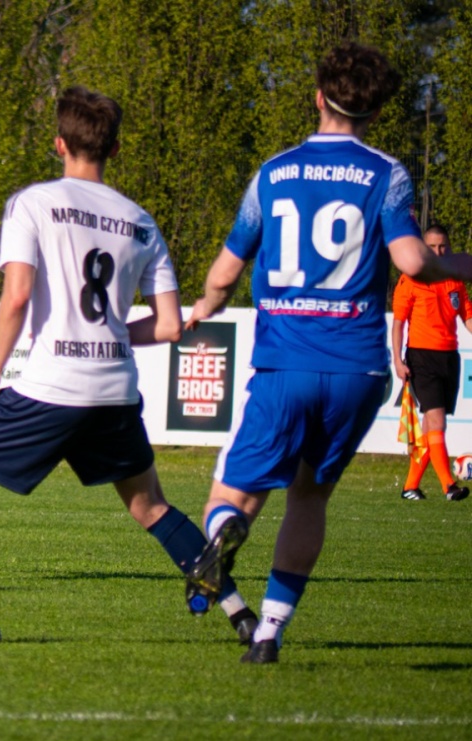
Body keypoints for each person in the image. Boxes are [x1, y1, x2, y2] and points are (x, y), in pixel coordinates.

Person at [0, 86, 255, 644]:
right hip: (115, 390)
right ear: (115, 149)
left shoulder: (32, 202)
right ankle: (244, 618)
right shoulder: (141, 221)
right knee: (150, 506)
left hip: (52, 386)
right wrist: (106, 334)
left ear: (59, 144)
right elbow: (170, 326)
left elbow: (18, 296)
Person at [183, 42, 472, 663]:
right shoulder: (386, 174)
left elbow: (227, 269)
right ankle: (268, 635)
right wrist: (460, 264)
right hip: (357, 368)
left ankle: (223, 532)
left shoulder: (275, 172)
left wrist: (205, 304)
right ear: (374, 111)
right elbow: (413, 262)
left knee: (229, 496)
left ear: (318, 97)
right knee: (309, 497)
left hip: (285, 362)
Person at [391, 223, 471, 502]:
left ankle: (410, 486)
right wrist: (397, 360)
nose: (438, 251)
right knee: (435, 421)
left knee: (432, 426)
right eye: (432, 246)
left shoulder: (455, 279)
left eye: (443, 246)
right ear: (424, 248)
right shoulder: (411, 278)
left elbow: (468, 318)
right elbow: (398, 324)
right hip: (421, 357)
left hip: (450, 357)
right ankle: (449, 486)